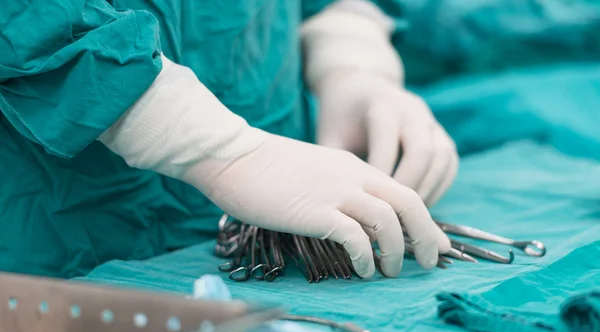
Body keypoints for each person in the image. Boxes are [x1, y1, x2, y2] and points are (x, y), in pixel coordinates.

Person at [0, 0, 457, 280]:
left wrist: (349, 61)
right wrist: (221, 153)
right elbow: (28, 19)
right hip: (59, 238)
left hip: (276, 227)